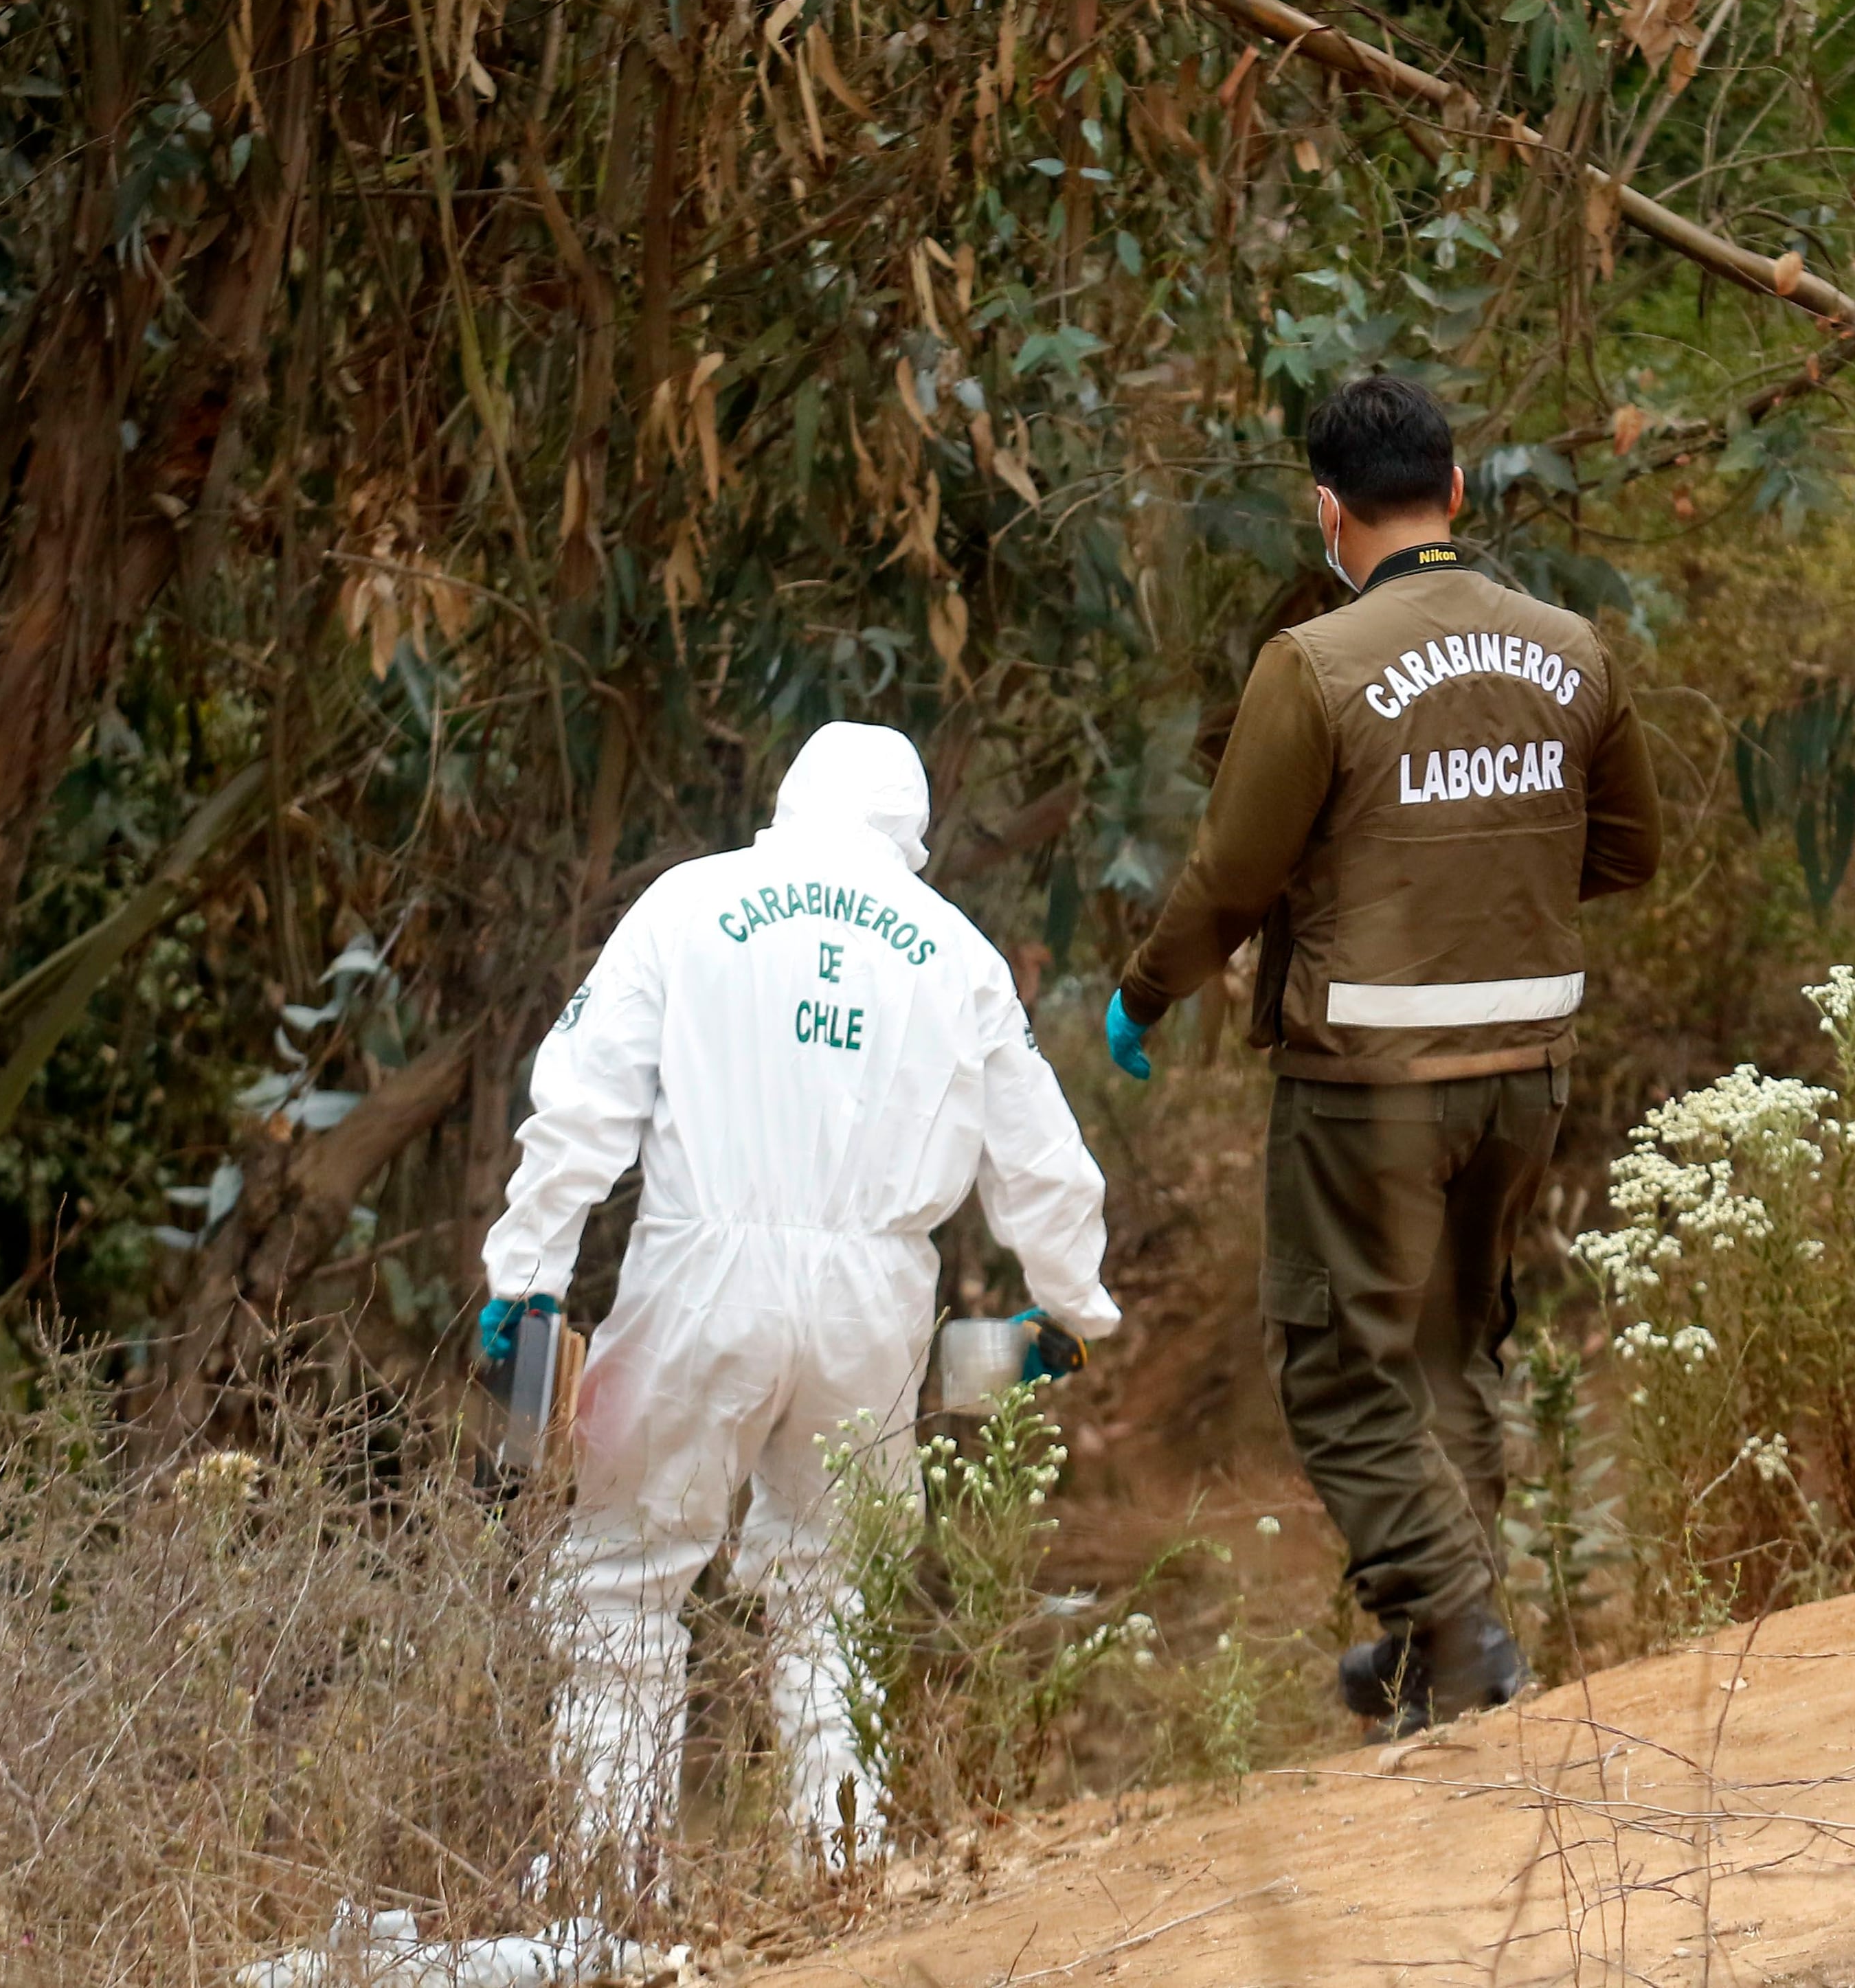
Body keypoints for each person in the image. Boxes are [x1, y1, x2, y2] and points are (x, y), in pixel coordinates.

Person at [1105, 373, 1661, 1732]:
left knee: (1342, 1362)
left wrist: (1145, 989)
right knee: (1451, 1345)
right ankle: (1431, 1646)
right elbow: (1627, 849)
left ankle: (1457, 1625)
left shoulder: (1314, 663)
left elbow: (1234, 875)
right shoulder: (1572, 649)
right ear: (1458, 490)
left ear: (1326, 508)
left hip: (1368, 1080)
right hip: (1525, 1070)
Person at [477, 721, 1121, 1877]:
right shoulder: (956, 950)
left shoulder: (688, 904)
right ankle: (843, 1869)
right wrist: (1069, 1311)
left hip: (694, 1283)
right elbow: (1042, 1157)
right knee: (836, 1587)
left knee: (623, 1574)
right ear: (909, 835)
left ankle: (611, 1886)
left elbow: (577, 1110)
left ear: (788, 803)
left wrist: (524, 1280)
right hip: (874, 1302)